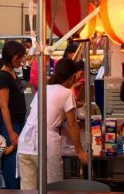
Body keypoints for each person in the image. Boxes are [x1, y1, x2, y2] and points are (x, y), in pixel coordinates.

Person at [17, 58, 87, 190]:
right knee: (53, 187)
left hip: (25, 142)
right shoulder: (67, 93)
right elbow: (72, 125)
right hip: (45, 143)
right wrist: (80, 151)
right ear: (72, 76)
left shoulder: (44, 88)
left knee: (28, 189)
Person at [0, 40, 27, 189]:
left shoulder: (12, 72)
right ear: (9, 57)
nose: (20, 60)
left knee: (18, 162)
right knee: (11, 163)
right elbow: (3, 105)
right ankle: (11, 190)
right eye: (18, 57)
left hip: (18, 122)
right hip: (10, 124)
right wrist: (11, 132)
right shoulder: (3, 76)